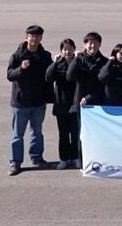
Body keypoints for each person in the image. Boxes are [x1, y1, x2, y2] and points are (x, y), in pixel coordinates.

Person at [6, 24, 52, 175]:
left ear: (41, 38)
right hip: (21, 102)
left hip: (38, 102)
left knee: (37, 132)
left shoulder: (45, 56)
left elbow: (49, 78)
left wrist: (48, 97)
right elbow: (10, 75)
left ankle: (37, 157)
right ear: (26, 37)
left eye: (37, 36)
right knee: (17, 135)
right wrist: (21, 69)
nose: (34, 38)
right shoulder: (18, 56)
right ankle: (15, 163)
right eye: (31, 35)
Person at [44, 38, 79, 169]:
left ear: (74, 49)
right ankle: (64, 159)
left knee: (75, 134)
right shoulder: (58, 64)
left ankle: (75, 158)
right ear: (61, 51)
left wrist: (77, 59)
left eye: (70, 48)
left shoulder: (78, 62)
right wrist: (54, 62)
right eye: (65, 49)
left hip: (74, 104)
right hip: (61, 104)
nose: (67, 51)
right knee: (63, 134)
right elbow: (48, 77)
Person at [67, 32, 106, 110]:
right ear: (84, 45)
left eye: (95, 43)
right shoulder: (79, 59)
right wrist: (75, 59)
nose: (93, 46)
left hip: (98, 105)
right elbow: (70, 77)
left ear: (100, 44)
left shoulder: (104, 62)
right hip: (79, 104)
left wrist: (88, 98)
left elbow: (103, 85)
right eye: (90, 43)